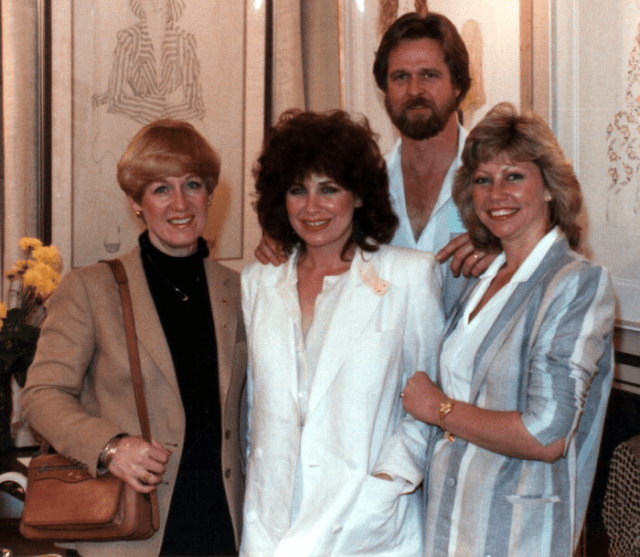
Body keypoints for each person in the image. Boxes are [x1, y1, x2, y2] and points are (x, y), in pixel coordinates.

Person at [22, 120, 246, 557]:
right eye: (161, 189)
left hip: (221, 527)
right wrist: (109, 447)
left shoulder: (238, 290)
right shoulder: (91, 289)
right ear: (135, 202)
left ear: (209, 193)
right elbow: (41, 396)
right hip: (129, 530)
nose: (180, 203)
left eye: (192, 184)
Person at [401, 103, 615, 556]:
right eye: (483, 180)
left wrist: (438, 408)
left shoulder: (576, 283)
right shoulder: (478, 278)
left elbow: (546, 435)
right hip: (446, 528)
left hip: (516, 537)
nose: (496, 193)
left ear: (550, 188)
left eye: (514, 176)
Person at [240, 110, 443, 557]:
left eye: (329, 189)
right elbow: (253, 407)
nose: (312, 207)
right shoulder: (257, 283)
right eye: (297, 190)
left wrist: (387, 483)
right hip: (271, 526)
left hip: (368, 526)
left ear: (360, 195)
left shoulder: (408, 277)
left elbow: (428, 402)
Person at [255, 12, 495, 315]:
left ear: (458, 85)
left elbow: (539, 250)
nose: (414, 90)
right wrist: (283, 236)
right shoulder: (363, 184)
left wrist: (508, 250)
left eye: (429, 75)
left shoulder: (498, 181)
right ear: (385, 89)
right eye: (400, 77)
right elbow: (324, 248)